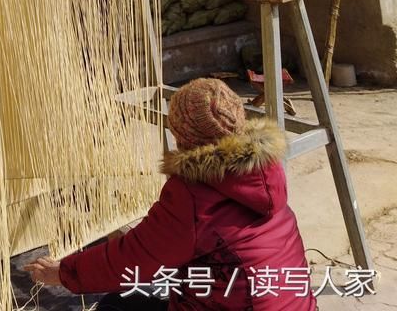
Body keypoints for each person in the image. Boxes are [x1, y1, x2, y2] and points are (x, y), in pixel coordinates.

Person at [24, 77, 317, 310]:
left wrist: (64, 273)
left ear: (183, 135)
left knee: (117, 304)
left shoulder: (192, 193)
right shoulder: (265, 173)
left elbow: (132, 260)